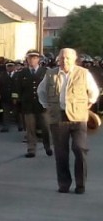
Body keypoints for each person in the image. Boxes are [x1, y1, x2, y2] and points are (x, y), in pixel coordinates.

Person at [37, 48, 100, 194]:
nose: (64, 61)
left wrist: (87, 104)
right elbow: (41, 91)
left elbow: (94, 92)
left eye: (67, 58)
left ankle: (80, 184)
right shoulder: (50, 73)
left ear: (74, 59)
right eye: (62, 58)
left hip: (78, 118)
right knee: (61, 153)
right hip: (58, 118)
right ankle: (64, 184)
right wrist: (48, 106)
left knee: (79, 149)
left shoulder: (83, 73)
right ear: (58, 59)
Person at [15, 50, 52, 158]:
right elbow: (18, 89)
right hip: (28, 105)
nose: (32, 60)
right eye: (30, 58)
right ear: (27, 60)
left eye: (34, 58)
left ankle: (47, 146)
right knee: (30, 129)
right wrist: (18, 102)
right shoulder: (22, 73)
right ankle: (31, 149)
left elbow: (50, 88)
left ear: (38, 59)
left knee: (45, 127)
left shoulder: (45, 72)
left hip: (42, 105)